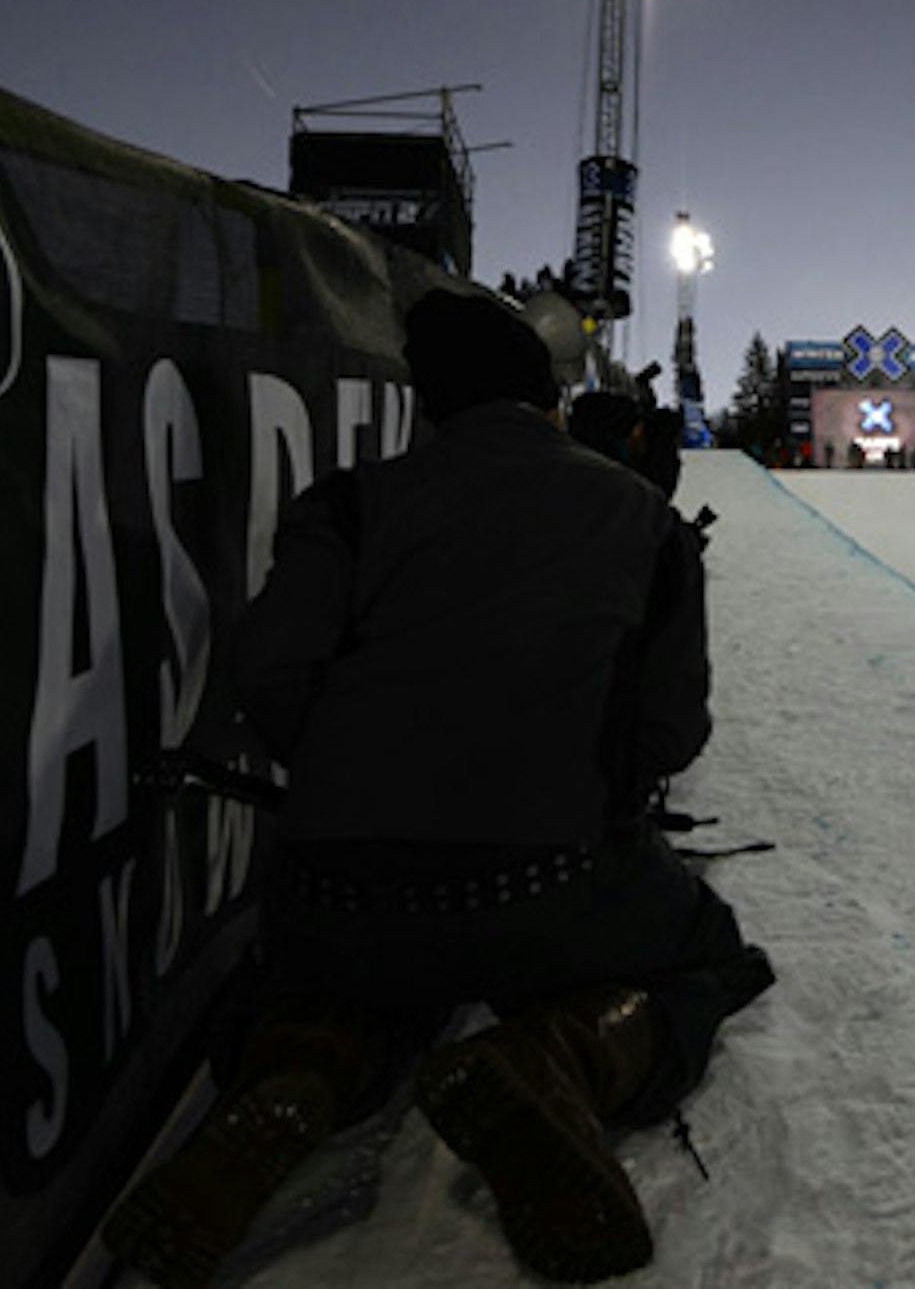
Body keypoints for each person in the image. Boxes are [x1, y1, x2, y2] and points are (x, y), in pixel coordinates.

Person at [104, 289, 773, 1286]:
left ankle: (303, 1069)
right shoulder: (642, 516)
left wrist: (351, 775)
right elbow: (670, 729)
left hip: (339, 885)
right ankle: (562, 1056)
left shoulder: (348, 503)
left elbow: (268, 669)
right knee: (708, 957)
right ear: (550, 398)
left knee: (333, 984)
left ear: (429, 403)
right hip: (550, 884)